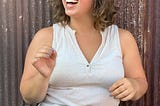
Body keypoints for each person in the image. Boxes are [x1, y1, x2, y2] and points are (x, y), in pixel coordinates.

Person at [20, 0, 148, 105]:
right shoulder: (46, 37)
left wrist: (134, 86)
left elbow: (141, 82)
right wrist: (42, 77)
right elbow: (29, 98)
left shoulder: (122, 39)